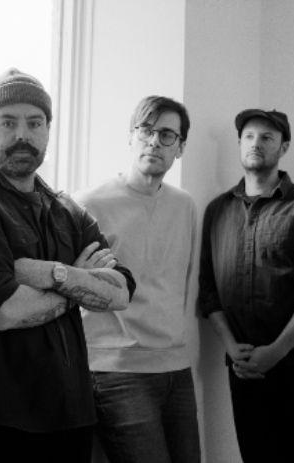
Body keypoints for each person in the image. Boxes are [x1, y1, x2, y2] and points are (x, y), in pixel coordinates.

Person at [0, 68, 135, 463]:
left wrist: (57, 274)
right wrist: (80, 282)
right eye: (8, 122)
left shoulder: (67, 209)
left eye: (34, 122)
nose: (22, 134)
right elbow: (6, 312)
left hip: (69, 415)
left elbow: (121, 293)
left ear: (47, 131)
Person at [198, 109, 294, 462]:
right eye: (249, 136)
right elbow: (208, 288)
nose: (256, 143)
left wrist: (277, 350)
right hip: (243, 368)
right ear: (240, 144)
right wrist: (232, 348)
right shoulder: (217, 211)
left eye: (267, 137)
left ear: (283, 147)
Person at [74, 96, 200, 463]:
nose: (154, 142)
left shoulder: (185, 205)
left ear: (180, 148)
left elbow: (183, 281)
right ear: (131, 136)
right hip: (117, 370)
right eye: (146, 130)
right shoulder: (88, 204)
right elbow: (73, 287)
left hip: (176, 366)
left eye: (166, 135)